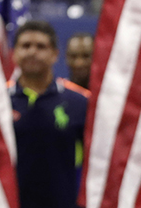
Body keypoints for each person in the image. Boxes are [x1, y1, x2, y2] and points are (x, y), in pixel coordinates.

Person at [10, 20, 88, 208]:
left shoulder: (80, 102)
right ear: (14, 54)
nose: (32, 52)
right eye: (26, 45)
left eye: (41, 46)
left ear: (55, 54)